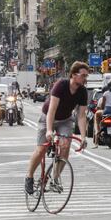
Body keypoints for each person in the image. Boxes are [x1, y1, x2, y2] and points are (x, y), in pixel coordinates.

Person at [25, 61, 89, 194]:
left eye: (86, 76)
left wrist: (83, 137)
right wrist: (49, 130)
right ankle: (29, 176)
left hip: (65, 120)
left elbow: (81, 116)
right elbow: (52, 111)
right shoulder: (61, 85)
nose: (85, 79)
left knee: (65, 147)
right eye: (83, 75)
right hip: (48, 117)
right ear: (73, 75)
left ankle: (55, 179)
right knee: (41, 149)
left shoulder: (83, 92)